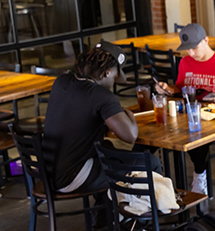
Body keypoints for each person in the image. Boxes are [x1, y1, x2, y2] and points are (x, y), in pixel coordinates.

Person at [42, 41, 141, 195]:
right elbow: (130, 136)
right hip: (72, 177)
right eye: (115, 77)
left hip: (48, 174)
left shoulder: (62, 81)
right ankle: (138, 217)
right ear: (107, 72)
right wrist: (129, 114)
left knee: (108, 150)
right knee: (146, 164)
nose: (114, 81)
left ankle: (106, 217)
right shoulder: (101, 95)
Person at [155, 23, 215, 195]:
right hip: (193, 113)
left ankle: (199, 173)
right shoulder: (185, 62)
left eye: (194, 48)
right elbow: (180, 87)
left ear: (206, 40)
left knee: (195, 133)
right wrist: (167, 89)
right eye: (187, 49)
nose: (191, 53)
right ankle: (155, 185)